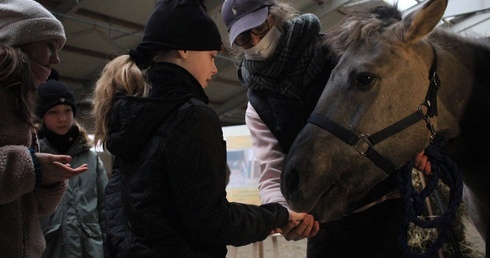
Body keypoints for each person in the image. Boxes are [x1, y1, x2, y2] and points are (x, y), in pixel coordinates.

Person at [91, 0, 308, 257]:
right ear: (184, 49)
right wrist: (275, 216)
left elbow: (119, 209)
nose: (215, 68)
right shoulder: (191, 116)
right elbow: (212, 221)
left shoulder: (130, 113)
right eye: (211, 56)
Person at [221, 0, 432, 257]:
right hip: (325, 222)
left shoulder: (340, 53)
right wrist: (283, 212)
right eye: (243, 38)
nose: (255, 41)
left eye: (259, 27)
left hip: (388, 205)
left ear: (276, 16)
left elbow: (392, 106)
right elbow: (272, 169)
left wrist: (417, 144)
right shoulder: (257, 104)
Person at [0, 1, 88, 257]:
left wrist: (48, 181)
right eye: (50, 45)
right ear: (22, 38)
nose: (57, 58)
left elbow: (30, 206)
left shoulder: (21, 99)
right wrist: (33, 166)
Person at [37, 79, 108, 258]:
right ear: (42, 117)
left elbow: (105, 209)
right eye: (53, 112)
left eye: (67, 111)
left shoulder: (91, 158)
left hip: (91, 251)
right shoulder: (35, 158)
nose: (62, 118)